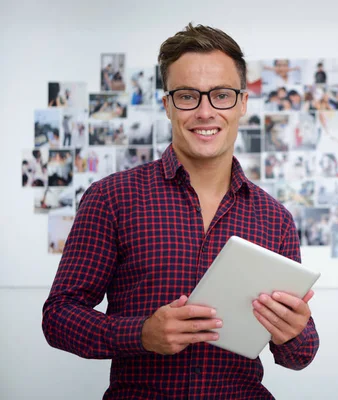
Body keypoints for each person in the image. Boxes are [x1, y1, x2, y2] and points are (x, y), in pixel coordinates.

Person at [42, 23, 319, 399]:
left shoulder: (274, 218)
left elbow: (298, 357)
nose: (205, 112)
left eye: (221, 95)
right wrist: (140, 334)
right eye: (188, 96)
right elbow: (58, 317)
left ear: (241, 103)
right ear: (168, 105)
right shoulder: (111, 198)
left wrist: (295, 332)